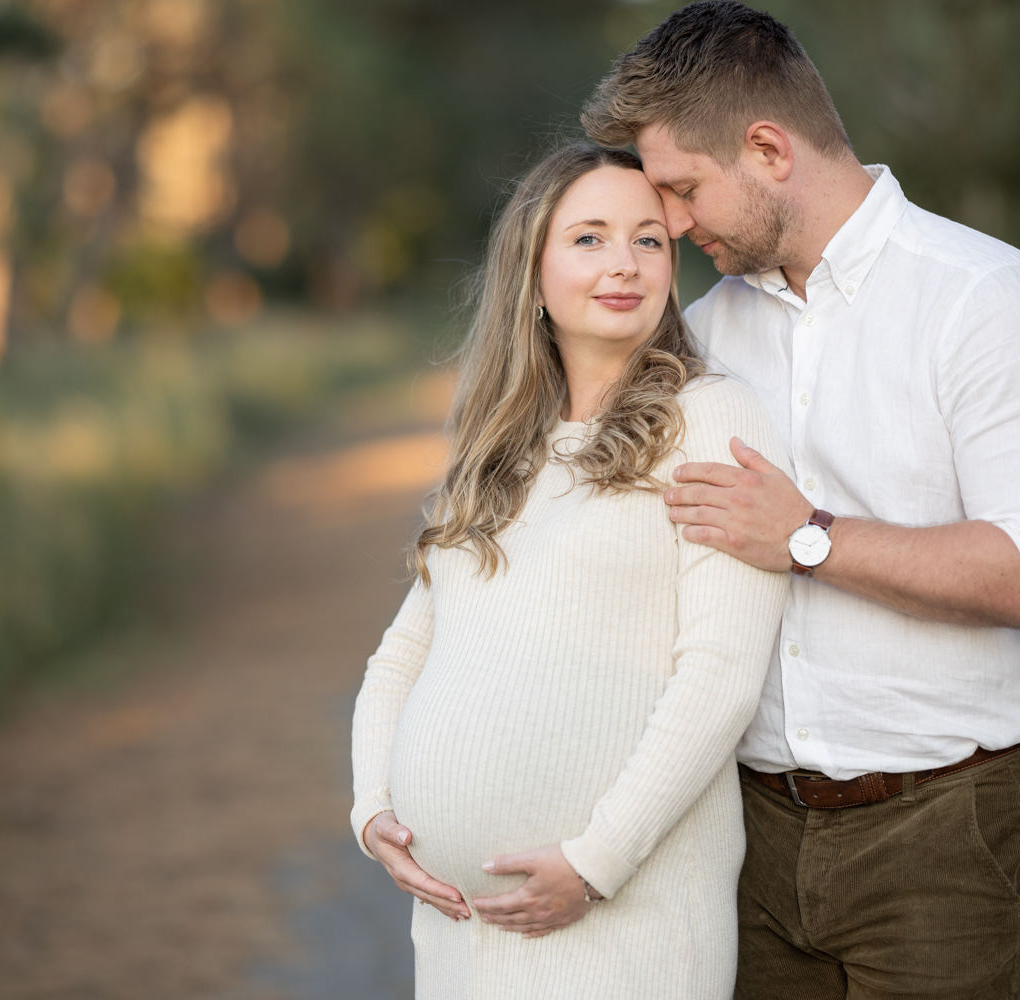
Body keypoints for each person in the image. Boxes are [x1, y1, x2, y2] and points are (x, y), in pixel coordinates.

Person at [581, 3, 1020, 998]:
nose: (676, 225)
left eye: (685, 191)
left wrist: (808, 537)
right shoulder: (702, 333)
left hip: (948, 834)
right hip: (746, 831)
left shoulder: (986, 300)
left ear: (768, 148)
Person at [350, 143, 790, 999]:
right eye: (589, 238)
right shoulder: (500, 448)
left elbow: (721, 680)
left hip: (620, 923)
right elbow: (402, 657)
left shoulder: (709, 420)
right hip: (460, 934)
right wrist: (372, 810)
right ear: (533, 269)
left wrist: (595, 864)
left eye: (649, 240)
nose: (624, 264)